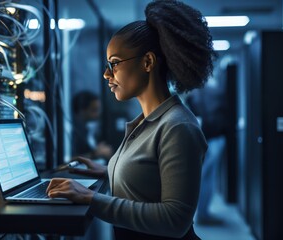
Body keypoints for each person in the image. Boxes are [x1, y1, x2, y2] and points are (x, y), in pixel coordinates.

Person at [46, 0, 216, 239]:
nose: (106, 74)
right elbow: (151, 177)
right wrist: (108, 171)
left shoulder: (178, 126)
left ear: (147, 62)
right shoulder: (148, 121)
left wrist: (91, 198)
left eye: (114, 63)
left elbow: (175, 219)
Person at [186, 77, 228, 225]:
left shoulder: (195, 93)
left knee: (204, 177)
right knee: (206, 178)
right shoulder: (215, 90)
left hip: (204, 138)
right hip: (215, 137)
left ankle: (201, 213)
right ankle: (202, 214)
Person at [71, 90, 113, 161]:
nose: (98, 114)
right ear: (82, 110)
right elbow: (69, 159)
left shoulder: (88, 129)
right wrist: (96, 154)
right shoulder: (73, 131)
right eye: (94, 110)